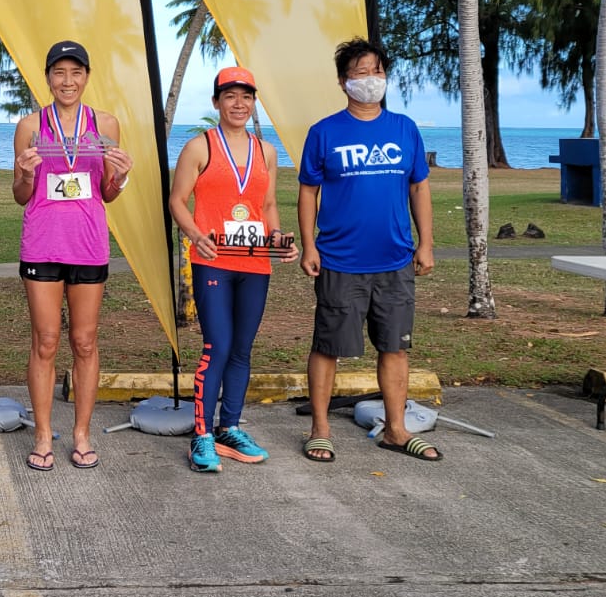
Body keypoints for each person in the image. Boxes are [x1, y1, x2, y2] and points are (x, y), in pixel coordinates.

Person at [297, 37, 439, 463]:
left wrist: (426, 243)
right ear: (344, 82)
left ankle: (396, 430)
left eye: (377, 71)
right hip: (340, 260)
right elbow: (307, 192)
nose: (371, 79)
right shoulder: (324, 132)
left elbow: (419, 186)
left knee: (395, 347)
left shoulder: (404, 129)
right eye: (361, 72)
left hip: (395, 260)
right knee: (328, 346)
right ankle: (319, 429)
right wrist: (309, 246)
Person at [169, 67, 297, 474]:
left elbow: (268, 205)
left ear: (254, 102)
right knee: (218, 346)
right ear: (216, 102)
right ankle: (202, 435)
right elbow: (176, 201)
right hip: (213, 262)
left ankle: (230, 427)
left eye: (246, 97)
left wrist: (277, 238)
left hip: (255, 264)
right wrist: (194, 234)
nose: (238, 104)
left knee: (242, 349)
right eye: (230, 96)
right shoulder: (199, 147)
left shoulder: (267, 151)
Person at [14, 40, 133, 471]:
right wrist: (26, 174)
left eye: (76, 72)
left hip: (87, 245)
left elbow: (106, 193)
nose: (68, 81)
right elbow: (20, 195)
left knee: (84, 341)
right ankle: (43, 434)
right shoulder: (30, 125)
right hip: (43, 243)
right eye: (59, 73)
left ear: (86, 76)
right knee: (45, 341)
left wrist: (119, 178)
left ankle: (82, 434)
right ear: (47, 78)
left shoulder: (105, 124)